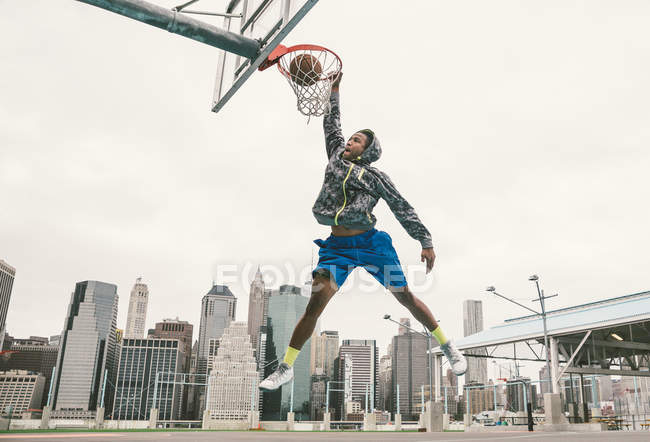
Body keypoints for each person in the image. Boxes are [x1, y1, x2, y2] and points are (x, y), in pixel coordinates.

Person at [260, 73, 466, 391]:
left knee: (406, 297)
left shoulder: (375, 177)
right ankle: (286, 366)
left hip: (372, 244)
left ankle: (447, 346)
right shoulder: (335, 157)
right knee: (315, 303)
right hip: (337, 248)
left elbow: (401, 205)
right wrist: (335, 89)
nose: (348, 141)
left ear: (366, 152)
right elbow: (332, 121)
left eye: (356, 140)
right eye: (350, 138)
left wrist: (425, 239)